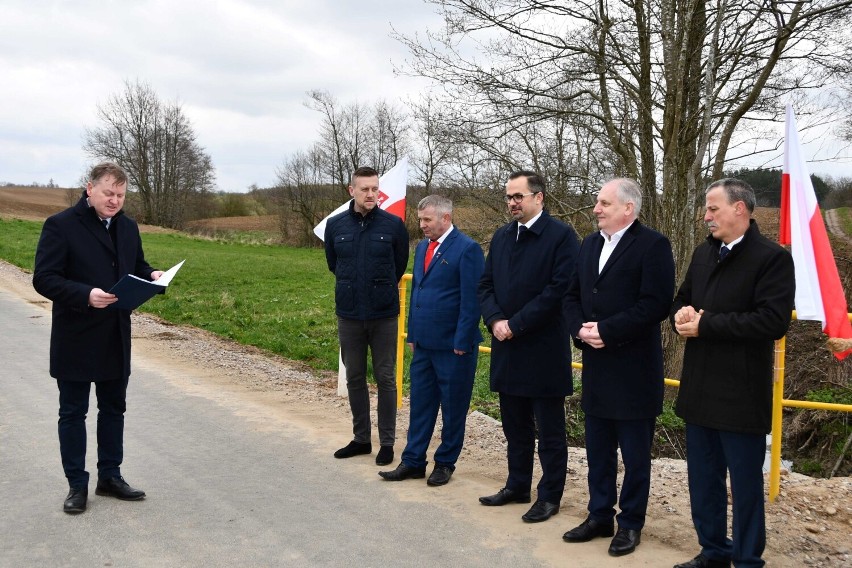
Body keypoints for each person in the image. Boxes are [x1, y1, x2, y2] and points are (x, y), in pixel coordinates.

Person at [671, 179, 795, 568]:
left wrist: (707, 325)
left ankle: (746, 560)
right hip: (700, 388)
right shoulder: (703, 254)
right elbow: (682, 298)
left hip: (742, 393)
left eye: (713, 209)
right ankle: (712, 551)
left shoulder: (771, 258)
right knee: (703, 482)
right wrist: (682, 314)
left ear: (740, 209)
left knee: (744, 487)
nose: (706, 217)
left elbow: (772, 322)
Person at [33, 162, 164, 514]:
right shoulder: (60, 225)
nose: (114, 200)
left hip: (115, 334)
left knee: (113, 409)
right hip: (75, 333)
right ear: (89, 188)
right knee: (73, 412)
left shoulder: (128, 227)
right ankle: (77, 485)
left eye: (120, 195)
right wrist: (84, 294)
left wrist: (151, 273)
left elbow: (135, 264)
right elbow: (43, 279)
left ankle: (110, 476)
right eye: (108, 193)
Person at [562, 178, 675, 556]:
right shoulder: (590, 243)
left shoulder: (653, 245)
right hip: (596, 365)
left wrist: (607, 331)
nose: (596, 209)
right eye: (597, 202)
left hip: (633, 370)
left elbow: (656, 303)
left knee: (635, 455)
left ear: (628, 208)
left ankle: (630, 523)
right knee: (597, 450)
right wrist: (580, 330)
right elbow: (572, 295)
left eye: (603, 203)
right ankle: (598, 515)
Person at [477, 170, 579, 523]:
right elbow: (486, 285)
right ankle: (517, 485)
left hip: (543, 350)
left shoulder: (562, 237)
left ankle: (549, 496)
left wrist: (515, 324)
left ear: (539, 198)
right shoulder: (503, 236)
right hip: (507, 347)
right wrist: (494, 320)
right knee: (514, 427)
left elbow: (559, 290)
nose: (511, 203)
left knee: (549, 432)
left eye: (518, 196)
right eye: (508, 197)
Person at [378, 195, 484, 486]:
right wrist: (413, 334)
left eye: (427, 220)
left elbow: (471, 300)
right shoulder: (423, 246)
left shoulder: (467, 249)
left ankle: (445, 463)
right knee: (421, 405)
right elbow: (418, 295)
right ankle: (413, 461)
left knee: (452, 408)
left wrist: (462, 340)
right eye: (420, 219)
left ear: (445, 218)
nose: (421, 225)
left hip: (454, 346)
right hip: (424, 344)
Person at [324, 166, 409, 466]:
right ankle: (361, 439)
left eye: (375, 188)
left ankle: (387, 443)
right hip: (349, 315)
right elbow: (334, 264)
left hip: (384, 315)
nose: (371, 194)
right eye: (365, 189)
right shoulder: (335, 226)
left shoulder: (394, 226)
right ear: (352, 190)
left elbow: (398, 265)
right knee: (355, 377)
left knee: (386, 378)